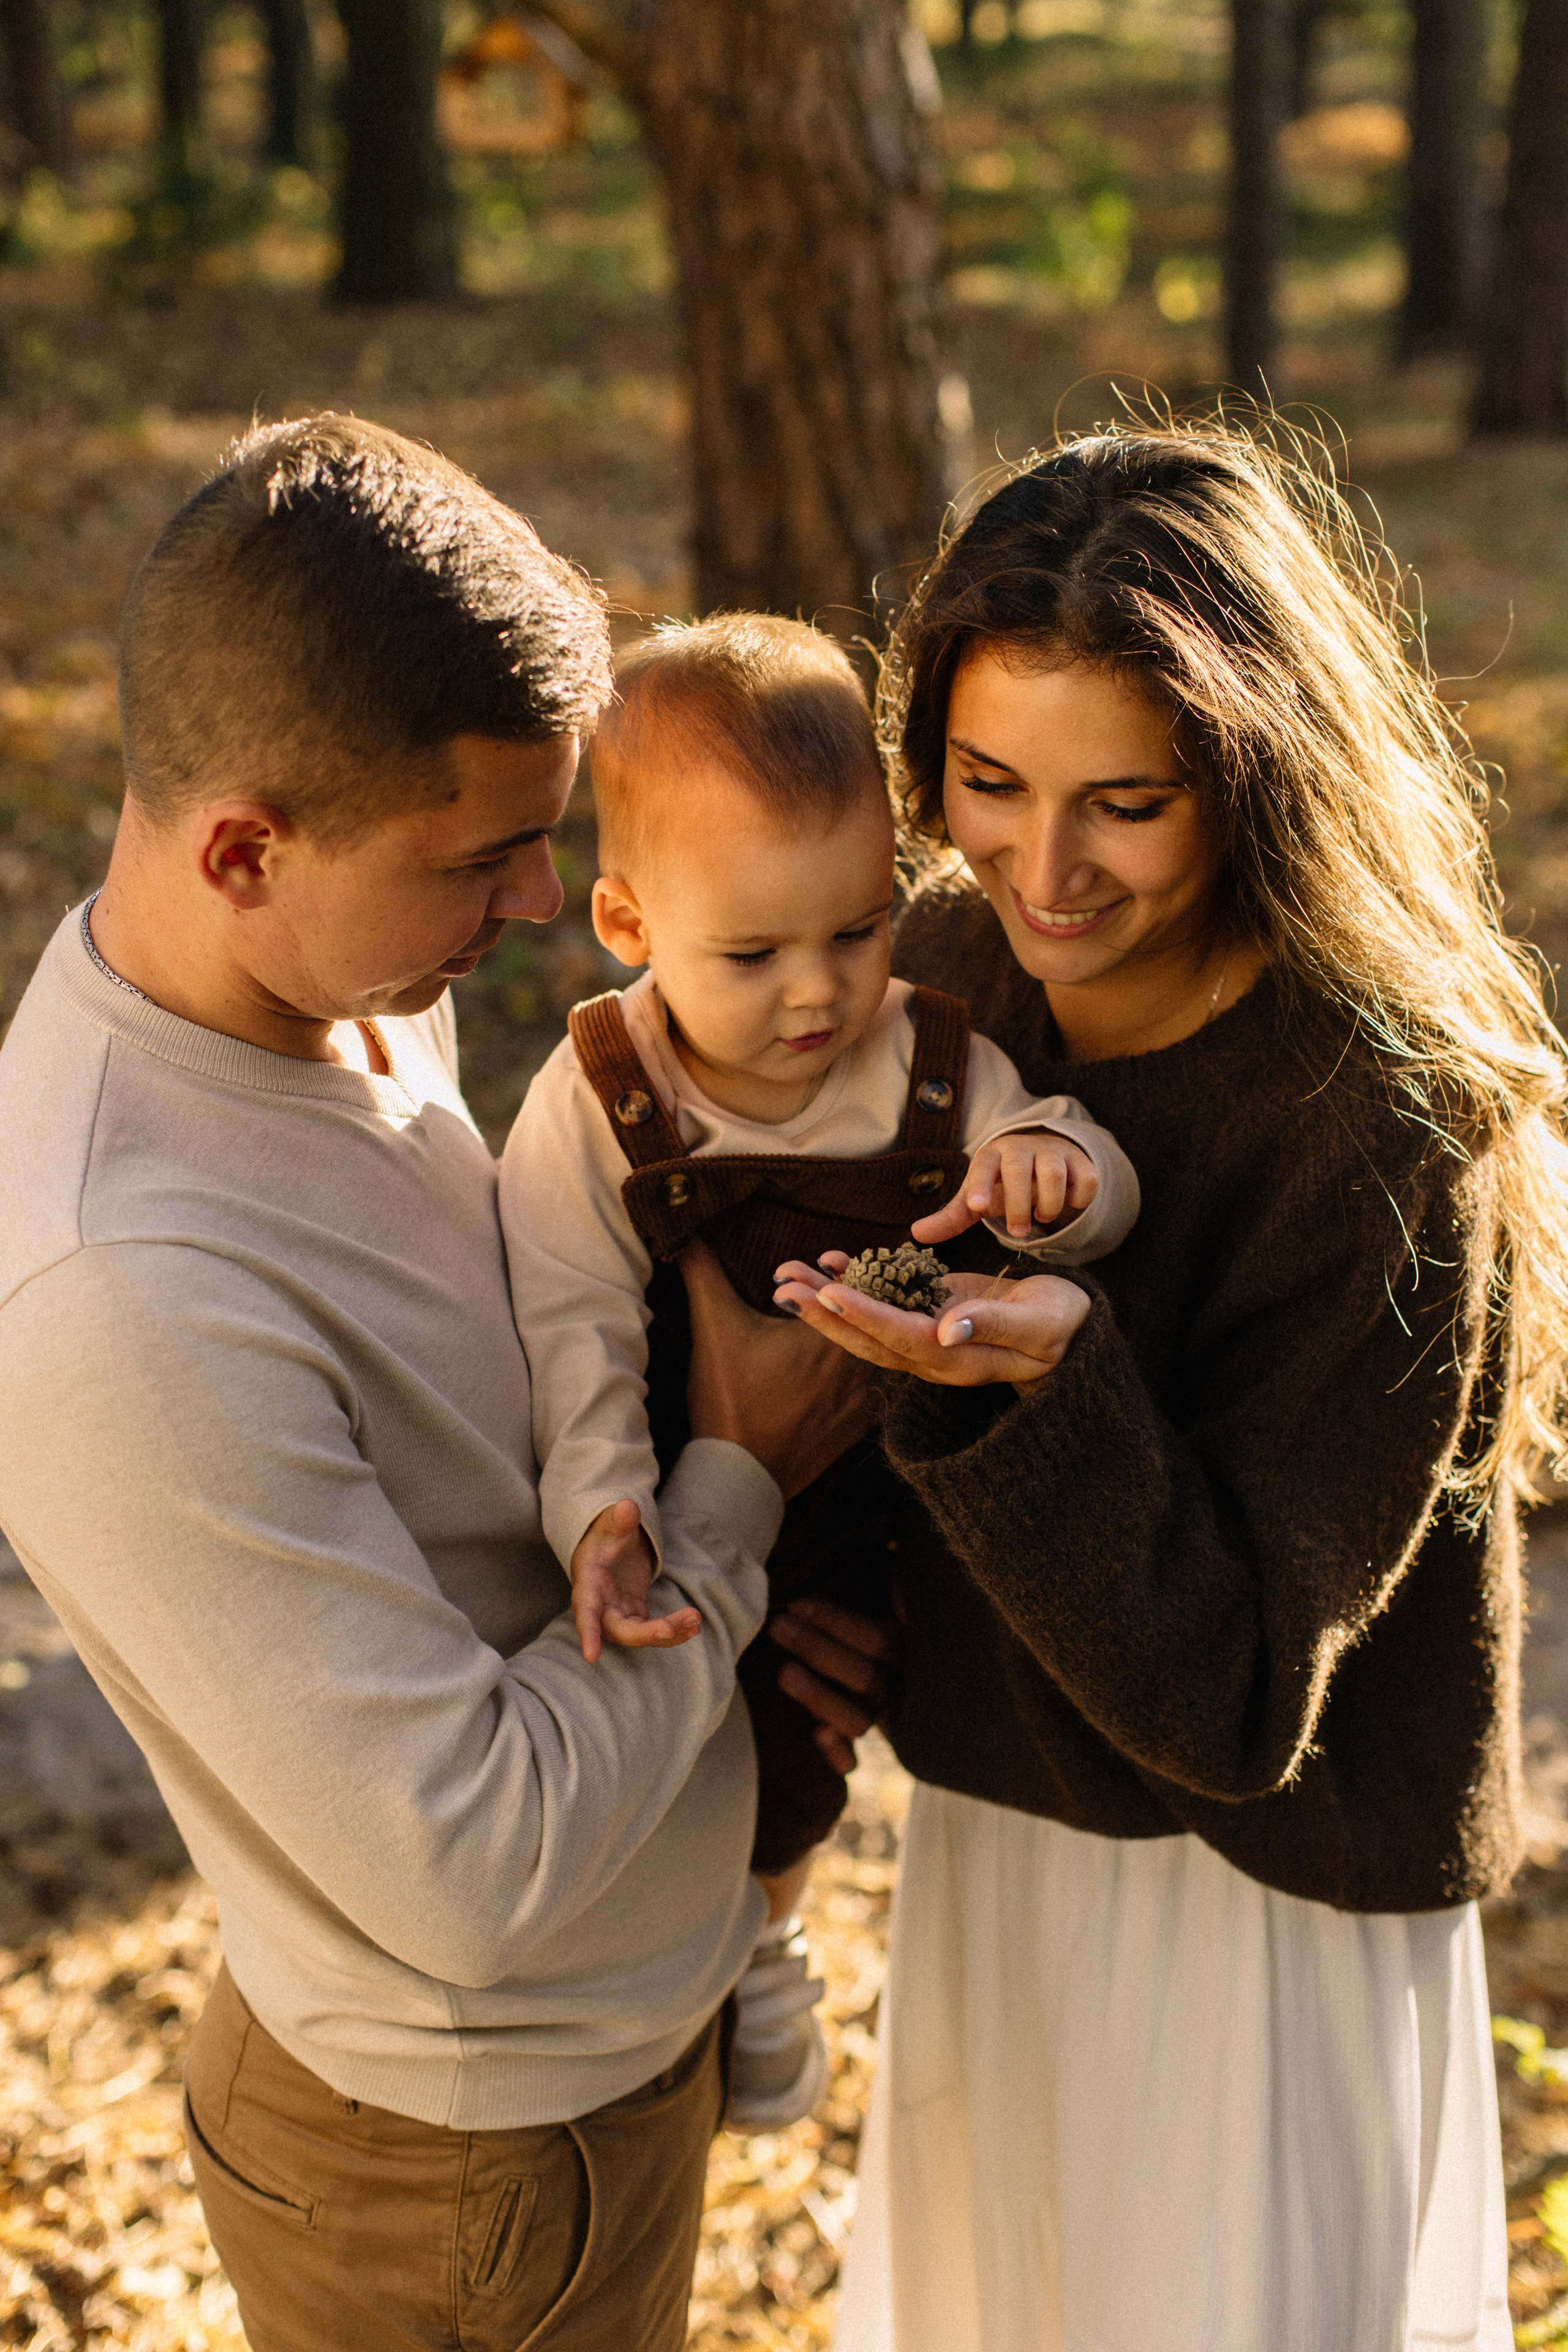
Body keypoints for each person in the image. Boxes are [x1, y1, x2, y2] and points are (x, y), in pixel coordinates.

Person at [0, 412, 864, 2352]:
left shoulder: (330, 986)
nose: (545, 913)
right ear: (244, 847)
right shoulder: (118, 1297)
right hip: (473, 2177)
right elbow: (472, 1873)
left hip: (573, 2080)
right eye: (487, 859)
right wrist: (734, 1484)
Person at [769, 422, 1567, 2351]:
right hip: (1005, 1851)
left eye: (1127, 803)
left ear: (1260, 777)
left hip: (1269, 1921)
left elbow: (1233, 1700)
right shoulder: (939, 982)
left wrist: (1035, 1391)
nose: (1044, 871)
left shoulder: (1380, 1126)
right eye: (984, 786)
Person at [499, 612, 1141, 2127]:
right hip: (675, 1485)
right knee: (658, 1736)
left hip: (870, 1485)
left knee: (801, 1739)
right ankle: (670, 1961)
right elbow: (567, 1319)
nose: (815, 993)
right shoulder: (601, 1094)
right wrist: (601, 1510)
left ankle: (765, 1932)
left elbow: (1068, 1169)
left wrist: (1059, 1169)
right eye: (753, 953)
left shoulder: (925, 1057)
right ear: (628, 920)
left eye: (855, 932)